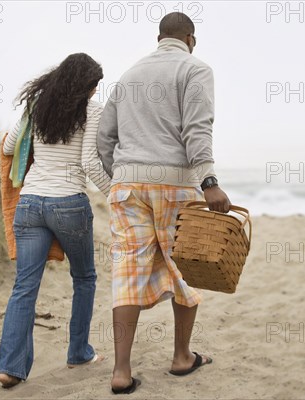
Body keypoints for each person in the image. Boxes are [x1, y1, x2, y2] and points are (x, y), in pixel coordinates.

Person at [97, 12, 231, 394]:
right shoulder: (195, 69)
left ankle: (121, 373)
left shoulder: (128, 76)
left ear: (159, 38)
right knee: (186, 266)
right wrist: (208, 182)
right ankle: (181, 357)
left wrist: (121, 177)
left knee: (126, 273)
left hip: (127, 186)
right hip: (174, 183)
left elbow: (105, 139)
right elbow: (197, 127)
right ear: (191, 38)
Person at [0, 53, 111, 388]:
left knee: (24, 287)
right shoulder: (91, 111)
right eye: (93, 86)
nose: (94, 93)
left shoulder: (36, 106)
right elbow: (90, 162)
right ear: (85, 85)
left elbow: (8, 146)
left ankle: (10, 368)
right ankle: (78, 352)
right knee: (85, 277)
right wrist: (115, 194)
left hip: (30, 204)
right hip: (69, 204)